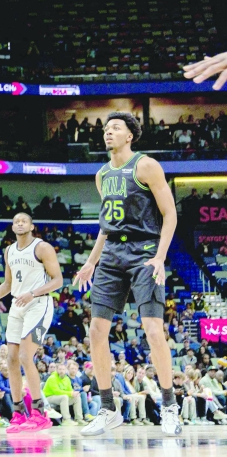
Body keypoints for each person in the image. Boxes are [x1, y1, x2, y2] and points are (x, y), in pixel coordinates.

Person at [74, 112, 182, 437]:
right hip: (111, 255)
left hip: (145, 251)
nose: (109, 132)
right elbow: (106, 226)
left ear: (129, 136)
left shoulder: (145, 165)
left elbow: (170, 213)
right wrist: (91, 261)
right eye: (106, 129)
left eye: (115, 128)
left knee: (152, 330)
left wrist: (161, 257)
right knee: (95, 331)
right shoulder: (102, 174)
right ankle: (108, 409)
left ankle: (169, 406)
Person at [0, 212, 62, 433]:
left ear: (32, 226)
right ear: (12, 227)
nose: (19, 223)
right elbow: (7, 284)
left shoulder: (42, 248)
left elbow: (58, 281)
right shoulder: (9, 251)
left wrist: (33, 293)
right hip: (17, 305)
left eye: (23, 221)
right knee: (11, 358)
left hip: (38, 304)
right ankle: (18, 413)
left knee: (25, 356)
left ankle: (40, 413)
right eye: (16, 221)